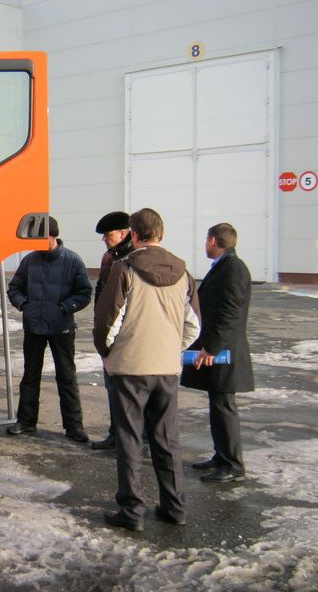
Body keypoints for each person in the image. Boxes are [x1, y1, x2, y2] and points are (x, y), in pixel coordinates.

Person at [93, 208, 201, 531]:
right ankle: (174, 506)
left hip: (129, 368)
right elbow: (193, 327)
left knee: (129, 439)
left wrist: (110, 356)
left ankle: (131, 510)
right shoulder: (184, 273)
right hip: (166, 370)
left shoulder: (125, 269)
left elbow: (106, 324)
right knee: (167, 440)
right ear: (162, 234)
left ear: (134, 236)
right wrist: (171, 351)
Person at [6, 216, 92, 442]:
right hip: (33, 327)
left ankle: (74, 427)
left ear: (53, 236)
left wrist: (64, 308)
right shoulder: (29, 261)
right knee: (30, 376)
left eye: (41, 238)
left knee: (67, 377)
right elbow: (14, 288)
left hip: (61, 328)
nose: (37, 243)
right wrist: (24, 305)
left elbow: (84, 293)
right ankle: (26, 422)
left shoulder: (73, 261)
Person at [181, 223, 254, 483]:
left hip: (224, 353)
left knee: (224, 407)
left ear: (212, 240)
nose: (205, 244)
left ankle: (233, 465)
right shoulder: (226, 266)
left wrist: (212, 348)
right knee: (218, 405)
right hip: (220, 349)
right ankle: (221, 456)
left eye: (206, 240)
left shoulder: (233, 268)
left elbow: (229, 313)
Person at [91, 211, 133, 451]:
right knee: (113, 387)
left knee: (132, 390)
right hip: (110, 334)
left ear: (123, 233)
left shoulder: (133, 260)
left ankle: (139, 437)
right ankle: (116, 434)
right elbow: (100, 291)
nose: (104, 239)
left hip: (129, 334)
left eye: (108, 235)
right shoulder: (109, 258)